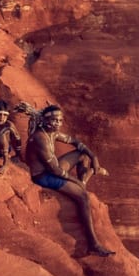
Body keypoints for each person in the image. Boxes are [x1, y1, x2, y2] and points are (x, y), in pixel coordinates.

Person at [26, 105, 115, 256]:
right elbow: (54, 170)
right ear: (45, 120)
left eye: (60, 120)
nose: (58, 123)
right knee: (84, 197)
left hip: (51, 169)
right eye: (55, 120)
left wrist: (93, 156)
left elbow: (74, 141)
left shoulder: (52, 133)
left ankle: (83, 183)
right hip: (43, 176)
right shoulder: (40, 138)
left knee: (82, 155)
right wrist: (76, 182)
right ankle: (93, 244)